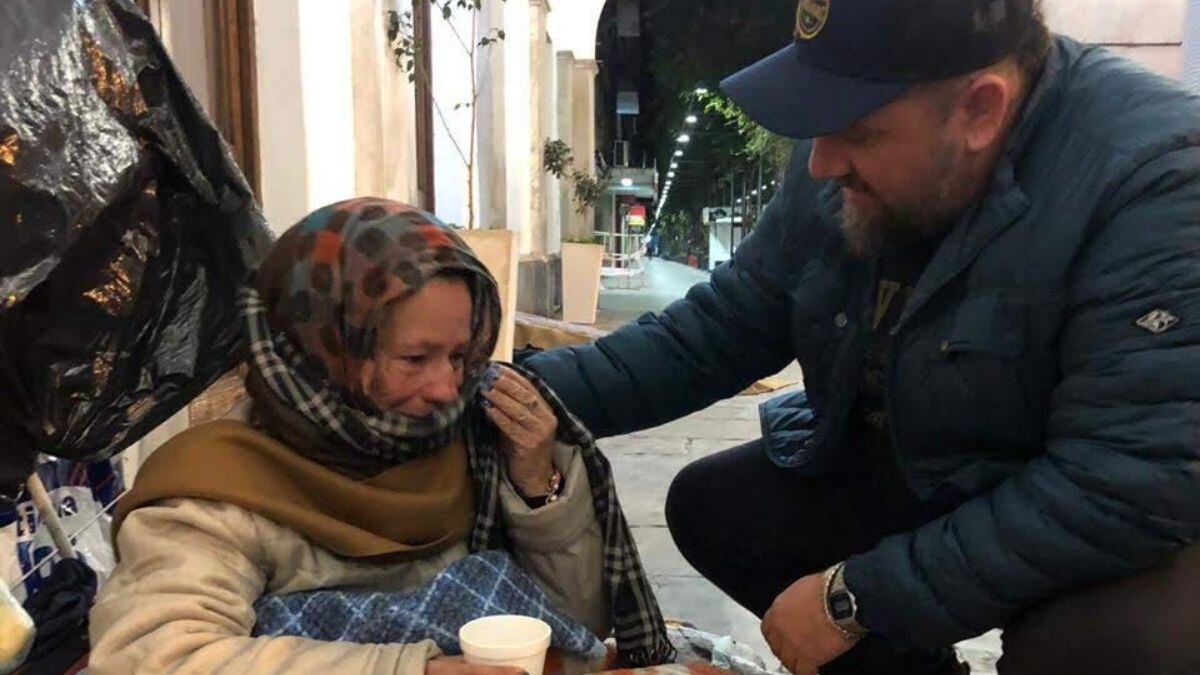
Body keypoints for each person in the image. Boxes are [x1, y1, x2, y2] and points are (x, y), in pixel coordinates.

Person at [523, 1, 1200, 674]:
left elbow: (1126, 481)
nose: (820, 164)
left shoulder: (1154, 176)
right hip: (924, 454)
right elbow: (719, 328)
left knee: (1117, 645)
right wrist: (519, 388)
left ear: (980, 110)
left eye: (859, 133)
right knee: (719, 508)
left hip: (1078, 494)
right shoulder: (839, 148)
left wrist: (854, 598)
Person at [88, 199, 672, 674]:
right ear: (326, 349)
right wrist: (405, 670)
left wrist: (537, 487)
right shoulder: (212, 491)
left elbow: (574, 628)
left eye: (461, 353)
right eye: (415, 357)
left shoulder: (476, 432)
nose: (448, 387)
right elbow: (153, 657)